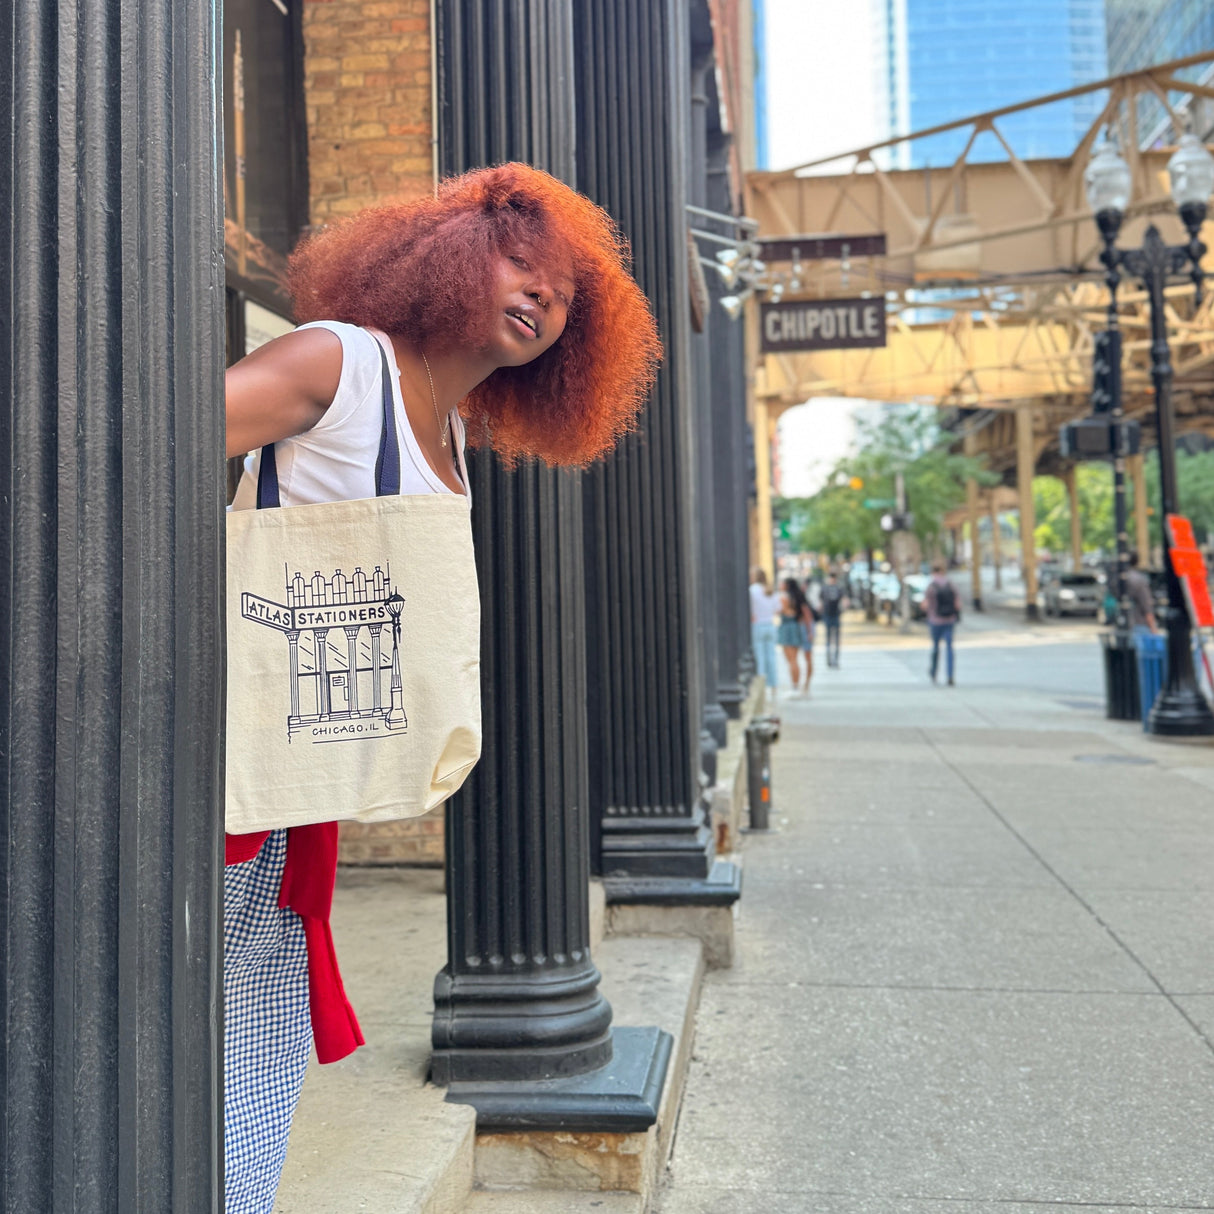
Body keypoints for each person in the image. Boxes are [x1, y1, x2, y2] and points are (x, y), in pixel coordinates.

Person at [222, 163, 660, 1213]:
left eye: (560, 295)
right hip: (222, 762)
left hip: (297, 774)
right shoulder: (337, 361)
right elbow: (131, 449)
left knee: (257, 1021)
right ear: (444, 256)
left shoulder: (449, 427)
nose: (540, 298)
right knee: (191, 1005)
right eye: (521, 263)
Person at [925, 559, 961, 685]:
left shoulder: (931, 586)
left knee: (935, 647)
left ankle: (934, 672)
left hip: (935, 621)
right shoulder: (951, 584)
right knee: (950, 648)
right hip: (949, 620)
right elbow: (957, 605)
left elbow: (925, 605)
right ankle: (950, 675)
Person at [749, 568, 780, 706]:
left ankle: (762, 687)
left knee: (760, 657)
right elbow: (777, 608)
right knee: (771, 657)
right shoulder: (770, 590)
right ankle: (773, 686)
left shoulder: (752, 590)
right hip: (770, 625)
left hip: (757, 625)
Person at [777, 577, 813, 694]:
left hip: (787, 627)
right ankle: (798, 685)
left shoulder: (784, 598)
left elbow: (778, 610)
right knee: (794, 659)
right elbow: (805, 613)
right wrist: (809, 631)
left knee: (791, 660)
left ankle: (795, 686)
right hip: (795, 626)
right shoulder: (797, 597)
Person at [1124, 550, 1158, 641]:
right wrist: (1153, 627)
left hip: (1125, 624)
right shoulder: (1140, 580)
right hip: (1140, 624)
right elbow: (1146, 605)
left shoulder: (1121, 579)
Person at [820, 570, 847, 668]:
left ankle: (835, 660)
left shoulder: (839, 588)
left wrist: (844, 607)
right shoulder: (825, 588)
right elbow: (821, 600)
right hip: (828, 615)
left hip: (835, 615)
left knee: (835, 639)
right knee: (828, 639)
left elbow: (844, 599)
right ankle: (829, 660)